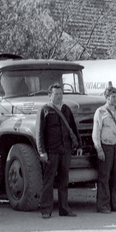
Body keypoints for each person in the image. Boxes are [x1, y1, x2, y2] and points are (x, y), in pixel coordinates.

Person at [36, 83, 83, 219]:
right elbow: (39, 133)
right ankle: (46, 210)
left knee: (64, 181)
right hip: (51, 151)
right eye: (56, 94)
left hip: (65, 150)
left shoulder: (66, 109)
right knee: (48, 181)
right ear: (50, 96)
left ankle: (64, 209)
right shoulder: (44, 110)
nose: (59, 96)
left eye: (61, 94)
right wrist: (42, 152)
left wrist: (79, 145)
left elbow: (73, 128)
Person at [92, 83, 116, 213]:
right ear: (107, 97)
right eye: (113, 96)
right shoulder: (100, 112)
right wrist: (99, 150)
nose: (115, 99)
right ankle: (103, 206)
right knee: (104, 178)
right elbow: (96, 132)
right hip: (105, 147)